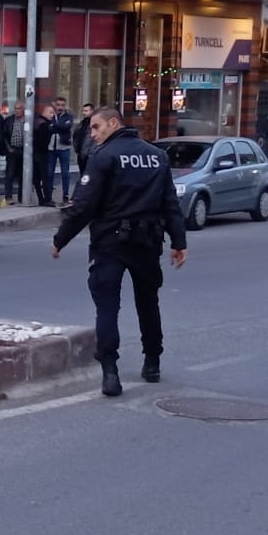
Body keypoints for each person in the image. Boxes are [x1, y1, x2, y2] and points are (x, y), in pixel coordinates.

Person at [51, 106, 188, 396]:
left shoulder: (104, 157)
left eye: (97, 127)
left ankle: (110, 372)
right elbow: (170, 204)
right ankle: (152, 363)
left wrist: (60, 239)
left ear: (114, 124)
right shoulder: (156, 155)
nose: (93, 133)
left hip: (110, 242)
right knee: (148, 303)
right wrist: (179, 242)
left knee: (107, 307)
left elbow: (83, 206)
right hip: (148, 242)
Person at [46, 97, 75, 204]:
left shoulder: (69, 116)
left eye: (62, 105)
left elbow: (66, 127)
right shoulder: (51, 116)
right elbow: (48, 128)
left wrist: (55, 125)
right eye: (58, 105)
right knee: (49, 173)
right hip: (51, 148)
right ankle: (48, 196)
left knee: (65, 173)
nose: (60, 107)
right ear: (55, 106)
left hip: (64, 148)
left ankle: (65, 195)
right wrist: (56, 126)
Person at [72, 102, 96, 197]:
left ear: (92, 111)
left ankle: (84, 196)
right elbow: (76, 137)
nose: (84, 113)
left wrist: (91, 153)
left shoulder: (94, 124)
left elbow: (93, 140)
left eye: (86, 111)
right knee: (83, 176)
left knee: (88, 177)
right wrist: (77, 148)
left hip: (89, 155)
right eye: (83, 111)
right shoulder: (82, 124)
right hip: (81, 154)